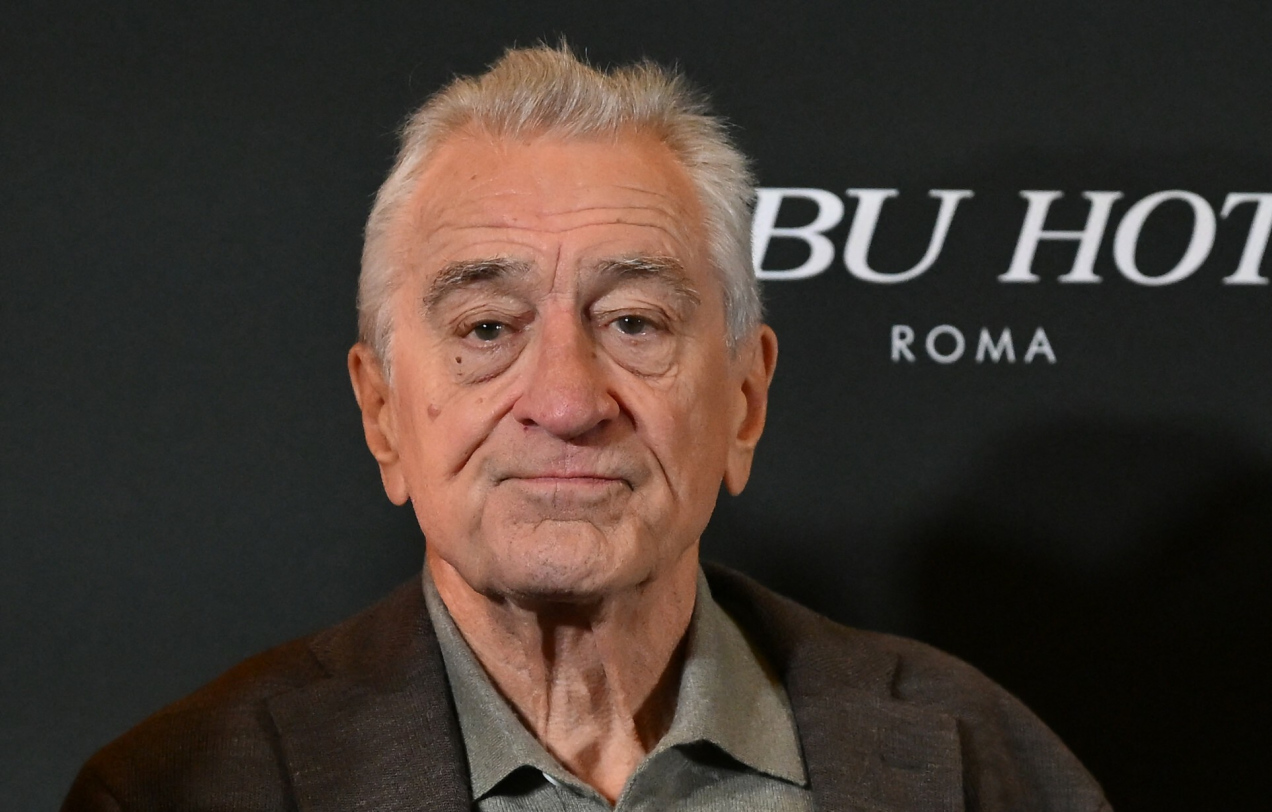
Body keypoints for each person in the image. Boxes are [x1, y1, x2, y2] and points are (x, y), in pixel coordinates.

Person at [62, 45, 1110, 811]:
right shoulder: (183, 788)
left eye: (634, 322)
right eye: (487, 327)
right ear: (382, 414)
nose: (567, 401)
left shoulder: (979, 764)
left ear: (745, 401)